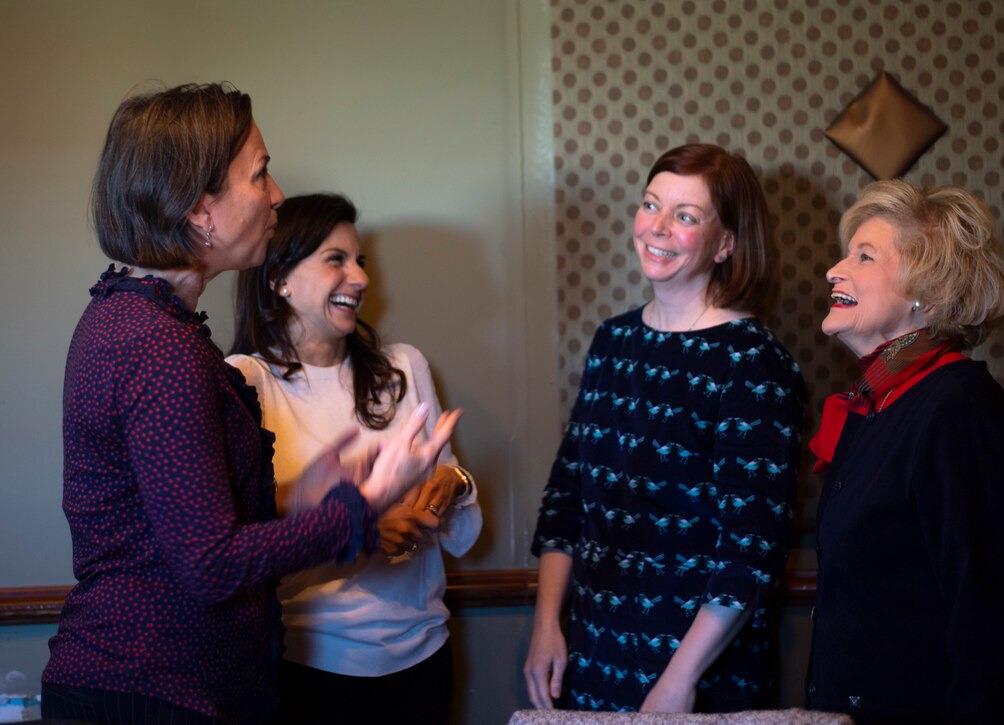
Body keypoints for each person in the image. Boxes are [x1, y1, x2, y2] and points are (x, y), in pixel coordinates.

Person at [41, 84, 459, 725]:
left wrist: (304, 497)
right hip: (151, 692)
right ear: (199, 210)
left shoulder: (133, 322)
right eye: (259, 173)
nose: (275, 195)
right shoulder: (157, 346)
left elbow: (176, 525)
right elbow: (210, 566)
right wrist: (360, 509)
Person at [524, 144, 805, 713]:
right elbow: (567, 497)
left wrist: (679, 680)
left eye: (685, 216)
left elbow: (749, 552)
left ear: (726, 243)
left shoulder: (753, 363)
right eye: (652, 204)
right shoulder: (612, 342)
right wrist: (546, 624)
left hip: (702, 678)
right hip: (591, 660)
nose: (656, 227)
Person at [226, 192, 481, 724]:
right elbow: (234, 542)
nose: (361, 278)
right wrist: (358, 524)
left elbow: (465, 535)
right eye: (335, 260)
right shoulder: (246, 381)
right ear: (280, 278)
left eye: (359, 261)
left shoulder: (404, 368)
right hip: (310, 667)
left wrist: (452, 483)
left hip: (424, 657)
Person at [806, 180, 1004, 723]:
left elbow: (994, 631)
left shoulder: (960, 409)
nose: (833, 270)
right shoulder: (879, 403)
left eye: (863, 256)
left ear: (931, 289)